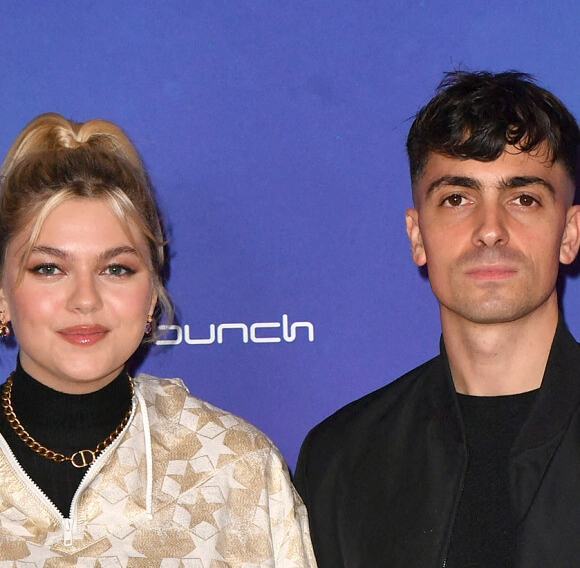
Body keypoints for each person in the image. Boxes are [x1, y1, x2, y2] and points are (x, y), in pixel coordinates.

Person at [0, 113, 317, 566]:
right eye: (49, 268)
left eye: (116, 268)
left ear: (151, 294)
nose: (85, 299)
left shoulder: (237, 468)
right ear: (2, 294)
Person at [294, 71, 580, 567]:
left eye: (524, 198)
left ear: (570, 232)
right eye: (457, 198)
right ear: (417, 235)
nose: (491, 230)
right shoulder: (341, 460)